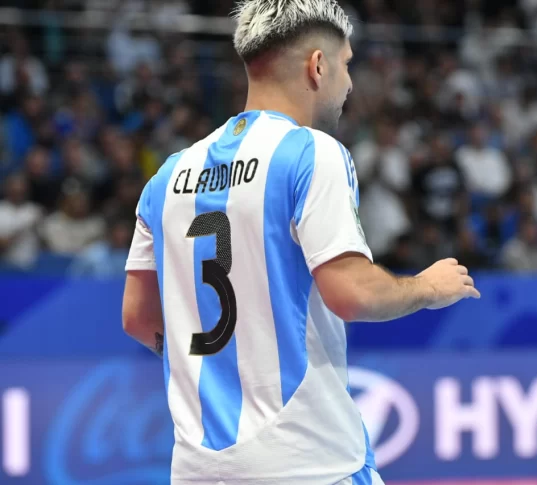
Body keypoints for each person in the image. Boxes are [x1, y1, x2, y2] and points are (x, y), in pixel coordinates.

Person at [120, 1, 480, 484]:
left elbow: (138, 318)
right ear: (318, 65)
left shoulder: (167, 176)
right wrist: (429, 287)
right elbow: (354, 294)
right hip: (310, 462)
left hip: (198, 470)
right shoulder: (313, 152)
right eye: (347, 65)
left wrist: (223, 362)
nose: (350, 84)